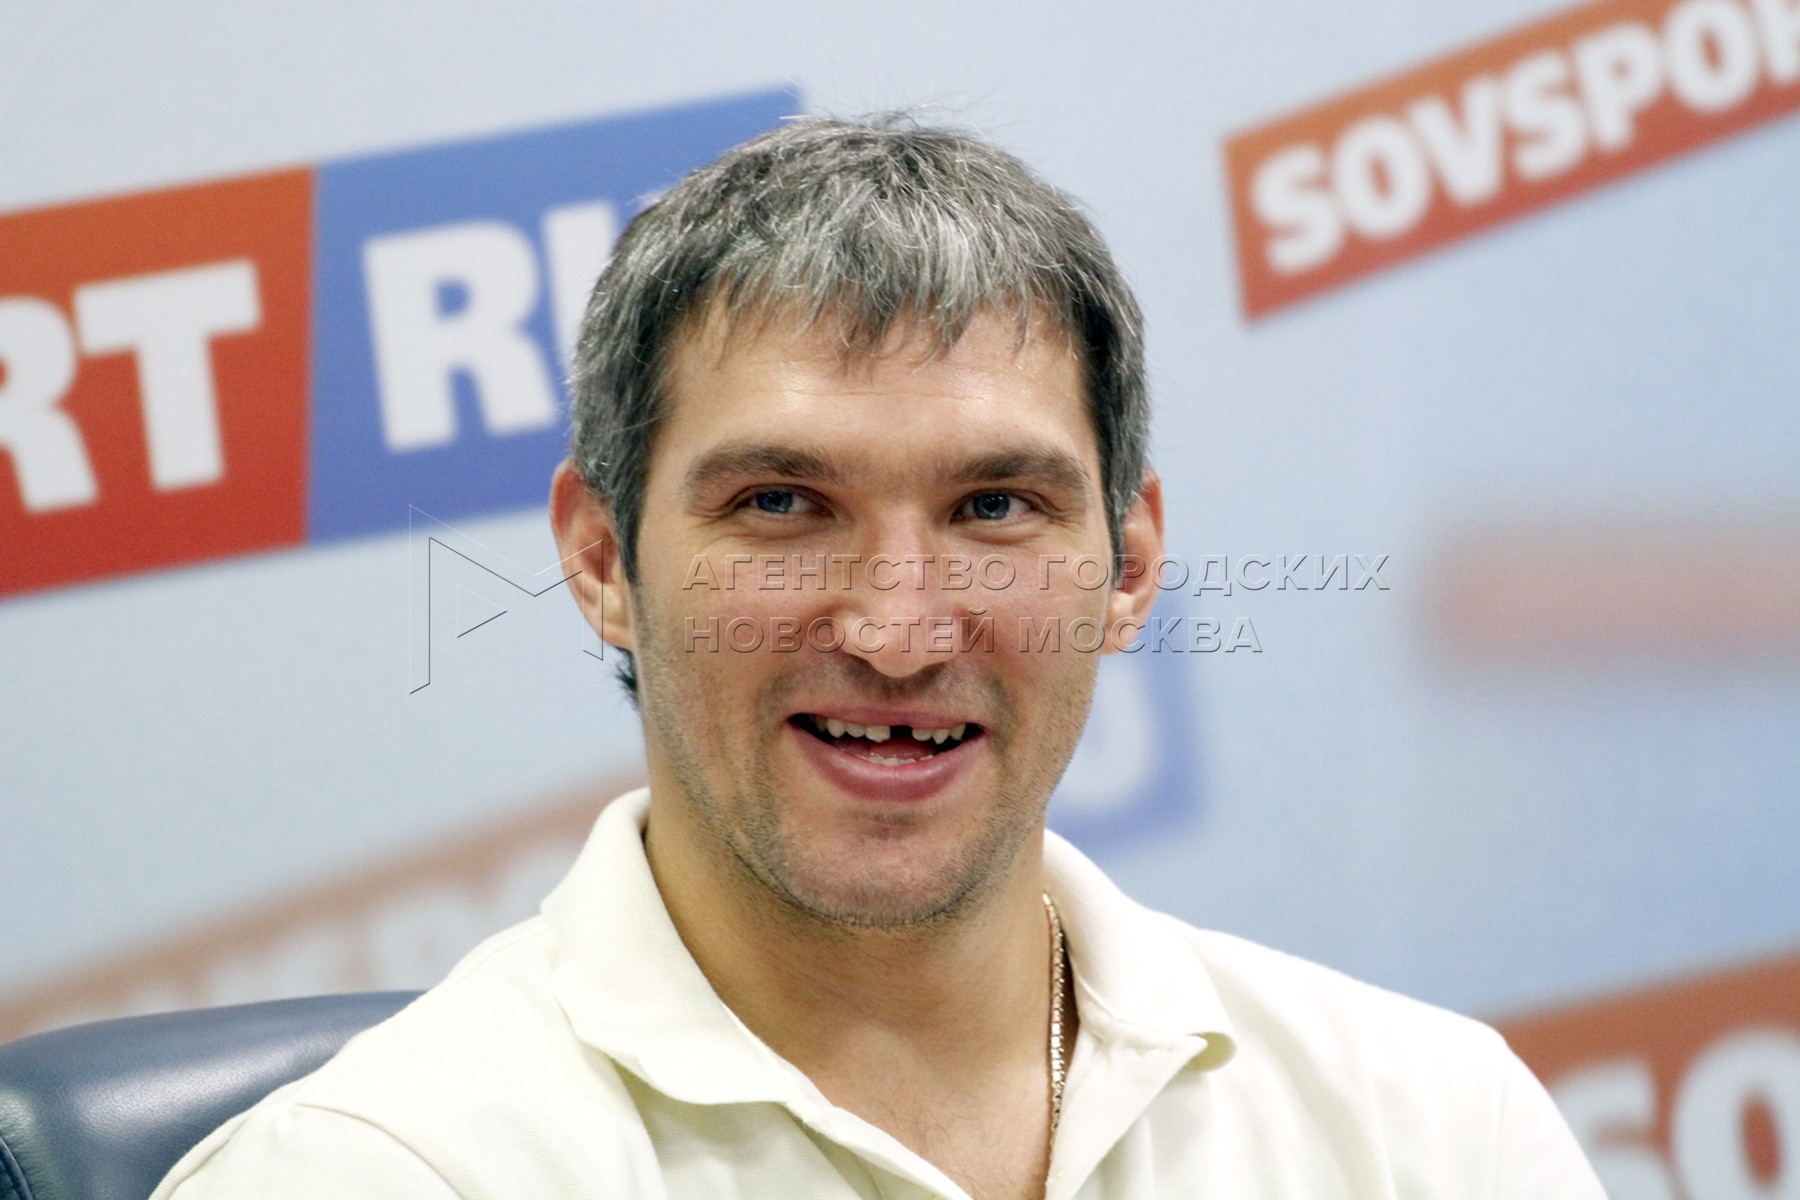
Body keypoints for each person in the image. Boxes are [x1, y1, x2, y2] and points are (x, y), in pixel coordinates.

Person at [153, 117, 1604, 1200]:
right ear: (602, 561)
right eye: (782, 506)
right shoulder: (368, 1174)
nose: (899, 631)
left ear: (1130, 568)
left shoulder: (1431, 1133)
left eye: (996, 507)